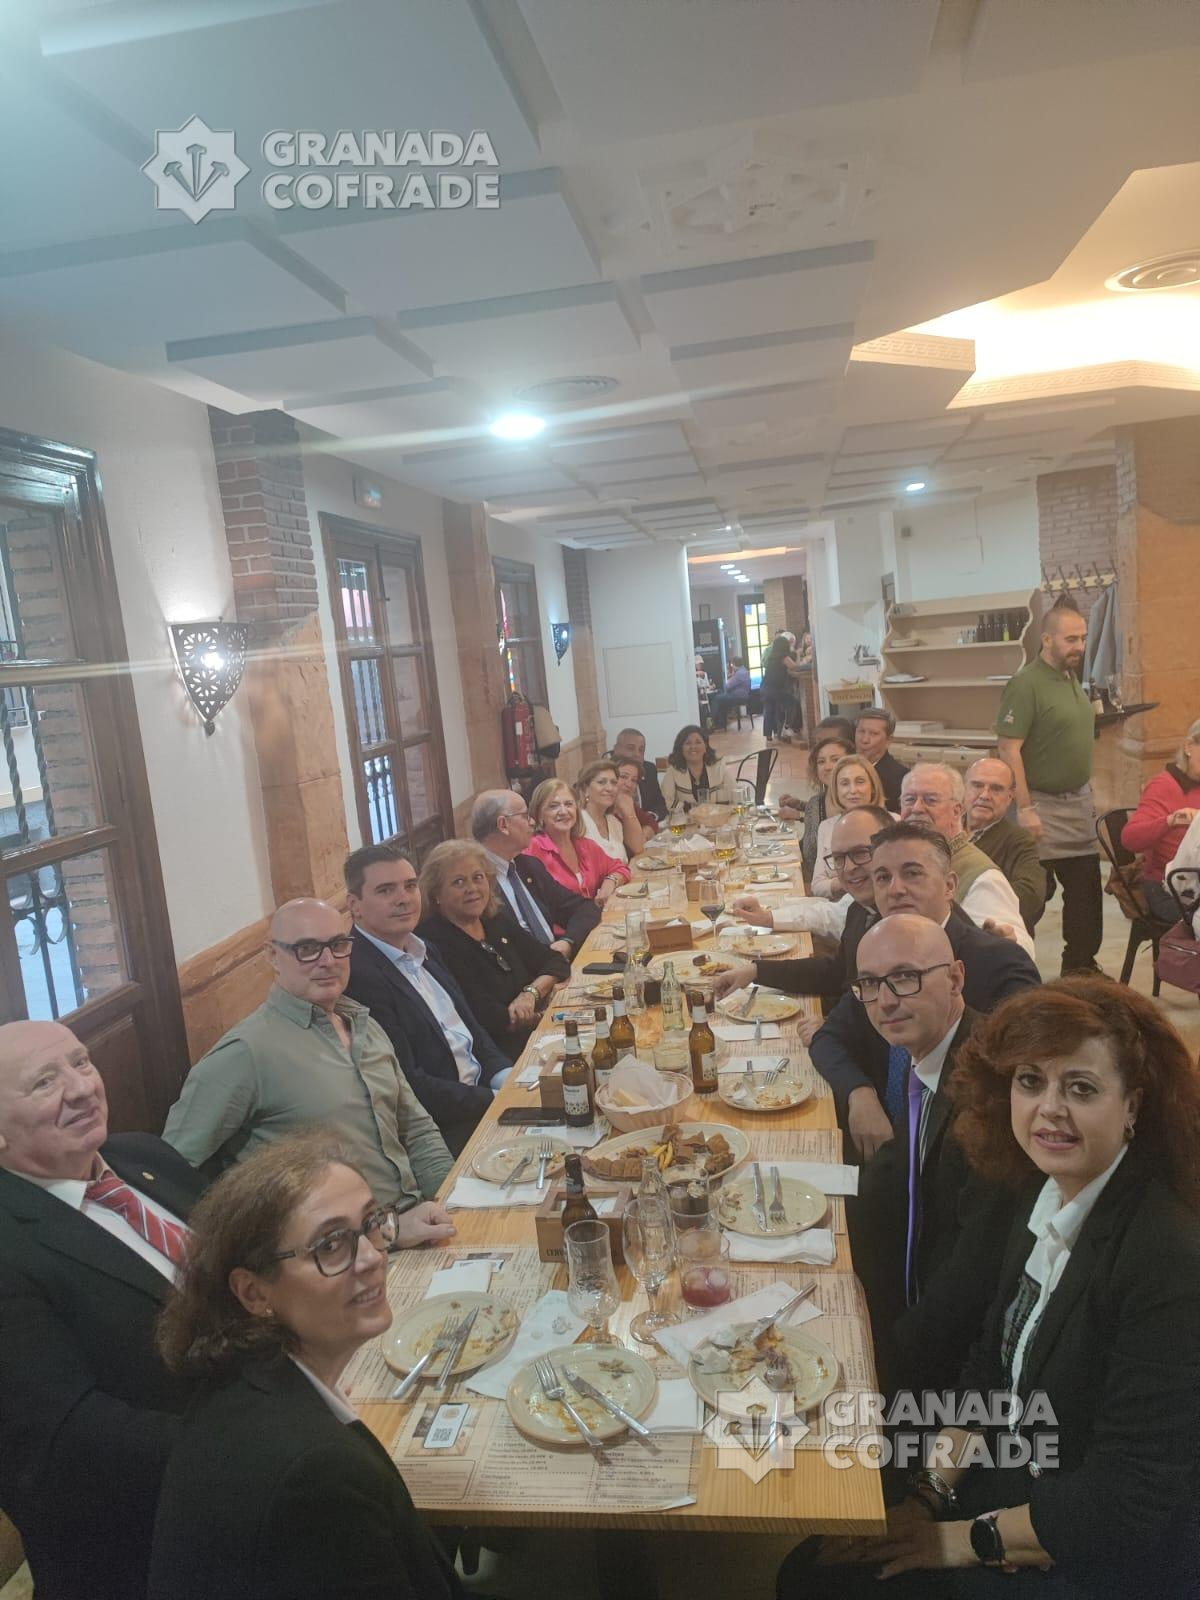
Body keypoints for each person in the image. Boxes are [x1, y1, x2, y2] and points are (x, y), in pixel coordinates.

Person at [782, 978, 1200, 1597]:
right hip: (1022, 1470)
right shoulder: (1041, 1189)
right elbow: (989, 1369)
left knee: (824, 1585)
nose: (1048, 1110)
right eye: (1030, 1082)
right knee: (816, 1556)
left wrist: (956, 1540)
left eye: (1080, 1088)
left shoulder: (1167, 1261)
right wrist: (930, 1493)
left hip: (1097, 1549)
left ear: (1133, 1105)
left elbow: (1126, 1499)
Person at [149, 1135, 465, 1600]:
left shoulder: (245, 1383)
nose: (374, 1257)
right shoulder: (316, 1479)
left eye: (372, 1224)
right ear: (255, 1294)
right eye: (331, 1244)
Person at [0, 1020, 203, 1600]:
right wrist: (250, 1442)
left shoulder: (143, 1155)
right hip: (163, 1538)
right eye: (44, 1082)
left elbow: (250, 1251)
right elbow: (70, 1442)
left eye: (81, 1062)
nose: (83, 1088)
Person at [164, 896, 458, 1200]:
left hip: (417, 1218)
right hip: (346, 1242)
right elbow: (168, 1172)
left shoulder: (364, 1024)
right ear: (273, 957)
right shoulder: (245, 1053)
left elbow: (419, 1130)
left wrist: (452, 1202)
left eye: (338, 945)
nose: (328, 961)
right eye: (307, 949)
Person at [847, 917, 1008, 1398]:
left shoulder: (991, 1093)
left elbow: (973, 1271)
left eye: (905, 977)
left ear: (956, 978)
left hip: (961, 1372)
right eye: (871, 984)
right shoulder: (932, 1053)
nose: (886, 1000)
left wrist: (882, 1362)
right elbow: (904, 1160)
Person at [810, 824, 1040, 1159]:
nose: (896, 889)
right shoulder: (880, 949)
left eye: (912, 873)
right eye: (883, 878)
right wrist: (859, 1093)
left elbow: (1022, 1082)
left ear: (949, 886)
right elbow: (829, 1037)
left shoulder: (999, 962)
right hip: (881, 1141)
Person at [340, 848, 511, 1157]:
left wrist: (507, 1075)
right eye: (385, 890)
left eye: (409, 885)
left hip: (485, 1093)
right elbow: (409, 1083)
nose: (404, 898)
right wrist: (496, 1098)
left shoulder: (424, 948)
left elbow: (471, 1029)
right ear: (355, 906)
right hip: (446, 1128)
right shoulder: (358, 975)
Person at [718, 805, 893, 1042]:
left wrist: (834, 1030)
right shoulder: (860, 909)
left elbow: (890, 1025)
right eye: (839, 858)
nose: (849, 867)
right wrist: (757, 971)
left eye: (861, 852)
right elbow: (837, 972)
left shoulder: (901, 923)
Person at [997, 597, 1103, 974]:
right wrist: (1025, 808)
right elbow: (1009, 749)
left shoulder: (1070, 677)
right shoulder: (1026, 684)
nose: (1079, 646)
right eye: (1071, 639)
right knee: (1033, 897)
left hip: (1077, 806)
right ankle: (1010, 967)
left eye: (1083, 638)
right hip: (1040, 806)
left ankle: (1080, 967)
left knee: (1087, 896)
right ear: (1046, 639)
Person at [414, 840, 570, 1063]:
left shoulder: (493, 919)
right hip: (500, 1057)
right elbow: (492, 1019)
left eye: (478, 878)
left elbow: (555, 961)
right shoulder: (433, 942)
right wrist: (541, 1011)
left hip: (538, 1033)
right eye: (458, 882)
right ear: (436, 893)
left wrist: (531, 993)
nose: (472, 889)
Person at [899, 763, 1036, 959]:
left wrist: (1001, 942)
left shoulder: (981, 876)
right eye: (909, 799)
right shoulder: (895, 857)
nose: (917, 808)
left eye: (930, 800)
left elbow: (1021, 952)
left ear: (956, 811)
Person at [470, 788, 601, 957]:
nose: (532, 822)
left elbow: (584, 908)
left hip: (558, 963)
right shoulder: (476, 883)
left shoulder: (528, 867)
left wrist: (568, 942)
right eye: (525, 816)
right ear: (503, 825)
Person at [1120, 716, 1200, 923]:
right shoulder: (1164, 785)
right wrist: (1170, 821)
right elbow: (1130, 838)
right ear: (1189, 747)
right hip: (1167, 888)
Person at [964, 757, 1046, 932]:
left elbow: (1031, 895)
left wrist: (969, 897)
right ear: (964, 789)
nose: (985, 795)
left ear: (1009, 798)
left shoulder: (1019, 840)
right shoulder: (946, 830)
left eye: (996, 789)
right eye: (977, 785)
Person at [525, 777, 631, 905]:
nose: (563, 811)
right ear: (539, 814)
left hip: (595, 920)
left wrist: (610, 882)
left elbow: (621, 868)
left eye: (569, 804)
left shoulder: (585, 846)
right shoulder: (531, 850)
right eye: (553, 806)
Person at [810, 754, 891, 899]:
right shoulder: (826, 827)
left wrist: (854, 880)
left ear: (872, 787)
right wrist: (851, 881)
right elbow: (817, 886)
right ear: (836, 790)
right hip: (837, 909)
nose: (853, 790)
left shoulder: (893, 822)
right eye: (845, 783)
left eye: (860, 782)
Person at [781, 732, 853, 880]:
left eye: (835, 760)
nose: (827, 767)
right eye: (821, 761)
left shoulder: (858, 804)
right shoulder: (815, 803)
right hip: (813, 886)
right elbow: (807, 850)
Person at [577, 757, 643, 860]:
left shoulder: (614, 822)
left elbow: (639, 849)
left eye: (613, 783)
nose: (609, 788)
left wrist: (629, 812)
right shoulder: (578, 823)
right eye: (601, 782)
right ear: (586, 789)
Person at [660, 724, 735, 809]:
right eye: (688, 743)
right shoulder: (673, 771)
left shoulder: (719, 767)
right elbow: (666, 801)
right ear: (681, 748)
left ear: (705, 746)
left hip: (718, 819)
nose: (693, 747)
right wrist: (692, 809)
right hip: (686, 820)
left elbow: (735, 795)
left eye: (698, 742)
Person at [855, 707, 911, 812]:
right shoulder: (846, 769)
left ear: (888, 740)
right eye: (861, 731)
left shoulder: (902, 778)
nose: (864, 740)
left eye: (873, 734)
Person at [608, 727, 667, 821]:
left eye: (641, 750)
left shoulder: (649, 769)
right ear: (616, 749)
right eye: (630, 748)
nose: (637, 754)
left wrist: (651, 818)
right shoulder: (606, 773)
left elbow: (660, 804)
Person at [761, 634, 795, 744]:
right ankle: (786, 727)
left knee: (769, 711)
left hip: (766, 687)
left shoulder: (772, 656)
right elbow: (794, 667)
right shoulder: (783, 657)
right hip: (775, 689)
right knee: (792, 703)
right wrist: (797, 654)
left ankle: (769, 737)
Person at [615, 755, 660, 834]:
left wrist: (644, 834)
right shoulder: (604, 809)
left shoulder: (628, 803)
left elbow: (652, 823)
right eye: (623, 777)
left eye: (634, 780)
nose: (629, 784)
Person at [710, 655, 753, 730]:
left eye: (732, 664)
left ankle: (713, 721)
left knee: (717, 698)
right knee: (721, 696)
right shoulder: (745, 671)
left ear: (735, 664)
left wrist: (732, 675)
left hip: (738, 697)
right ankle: (722, 722)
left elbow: (727, 686)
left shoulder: (739, 674)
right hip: (744, 696)